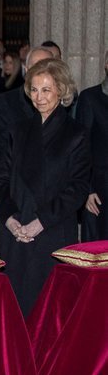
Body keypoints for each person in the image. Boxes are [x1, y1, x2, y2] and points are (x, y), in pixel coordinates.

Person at [0, 58, 91, 316]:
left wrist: (41, 221)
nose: (39, 97)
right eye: (34, 90)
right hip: (14, 229)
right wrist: (10, 218)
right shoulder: (19, 130)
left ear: (61, 90)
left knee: (47, 312)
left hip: (51, 231)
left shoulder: (76, 134)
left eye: (46, 89)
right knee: (11, 309)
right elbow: (0, 180)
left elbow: (78, 187)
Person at [77, 49, 108, 241]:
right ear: (106, 65)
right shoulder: (90, 98)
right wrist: (86, 189)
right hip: (99, 191)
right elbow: (81, 146)